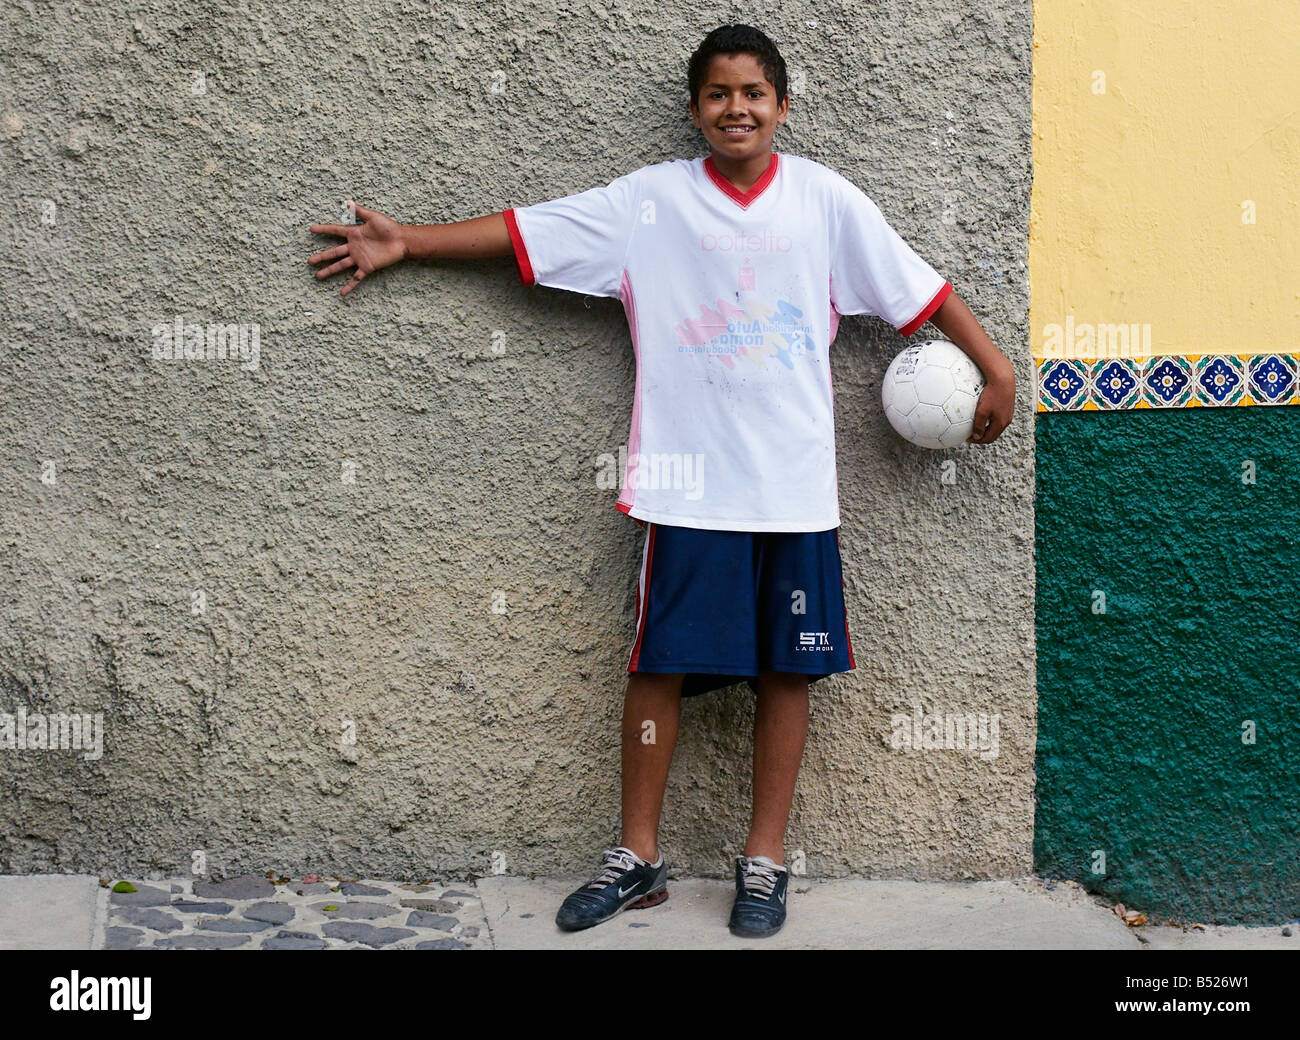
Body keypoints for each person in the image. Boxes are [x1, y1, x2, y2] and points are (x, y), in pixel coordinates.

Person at [307, 23, 1015, 939]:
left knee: (787, 674)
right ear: (694, 110)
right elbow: (529, 230)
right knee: (659, 666)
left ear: (783, 108)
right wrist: (411, 242)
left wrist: (993, 368)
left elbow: (919, 291)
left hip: (793, 490)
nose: (737, 109)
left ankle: (764, 864)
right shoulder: (649, 206)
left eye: (754, 94)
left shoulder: (827, 203)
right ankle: (635, 858)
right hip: (688, 489)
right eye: (719, 95)